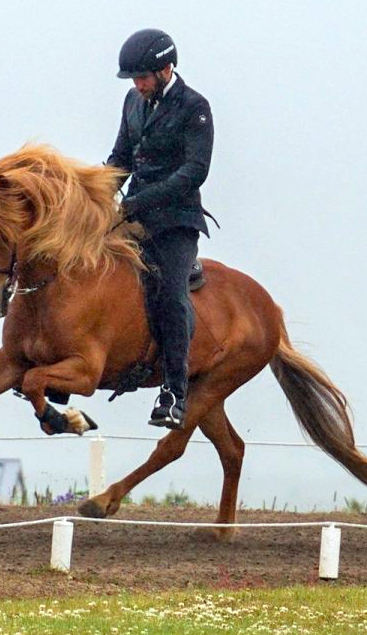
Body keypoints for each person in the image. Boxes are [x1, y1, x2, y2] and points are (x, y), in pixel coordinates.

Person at [106, 28, 214, 429]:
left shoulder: (195, 107)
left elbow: (194, 172)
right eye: (134, 78)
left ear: (167, 69)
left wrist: (141, 201)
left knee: (170, 294)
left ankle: (173, 391)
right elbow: (121, 157)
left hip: (176, 222)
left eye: (144, 77)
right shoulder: (133, 101)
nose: (138, 84)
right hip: (133, 215)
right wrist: (96, 195)